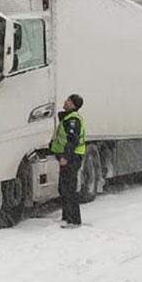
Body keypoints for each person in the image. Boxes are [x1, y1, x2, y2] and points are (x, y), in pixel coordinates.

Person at [49, 93, 86, 228]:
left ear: (73, 105)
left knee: (69, 189)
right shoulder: (67, 118)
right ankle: (66, 217)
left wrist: (66, 156)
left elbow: (73, 140)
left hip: (72, 157)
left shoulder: (73, 120)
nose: (65, 102)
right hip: (68, 156)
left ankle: (74, 220)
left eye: (68, 100)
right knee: (63, 188)